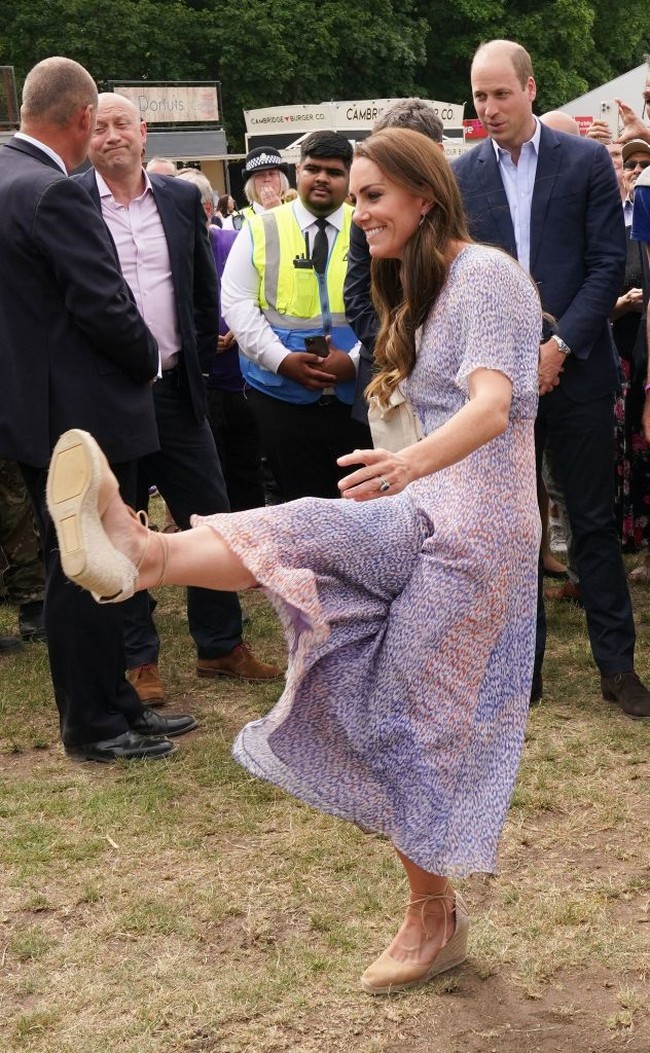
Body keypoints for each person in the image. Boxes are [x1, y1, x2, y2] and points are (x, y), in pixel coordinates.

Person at [47, 127, 542, 994]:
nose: (360, 211)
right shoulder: (417, 284)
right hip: (423, 505)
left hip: (481, 531)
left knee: (401, 717)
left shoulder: (488, 276)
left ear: (424, 196)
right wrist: (410, 471)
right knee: (307, 523)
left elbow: (494, 407)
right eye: (356, 197)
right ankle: (143, 553)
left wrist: (409, 462)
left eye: (373, 196)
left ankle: (434, 915)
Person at [0, 57, 197, 761]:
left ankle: (116, 703)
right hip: (80, 413)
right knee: (88, 565)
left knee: (88, 560)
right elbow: (103, 302)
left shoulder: (6, 174)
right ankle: (94, 723)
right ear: (84, 117)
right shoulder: (53, 190)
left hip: (32, 410)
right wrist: (149, 358)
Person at [453, 39, 650, 719]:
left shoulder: (585, 160)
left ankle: (617, 667)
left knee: (592, 521)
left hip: (580, 372)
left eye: (500, 94)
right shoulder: (463, 174)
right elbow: (462, 274)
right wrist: (507, 359)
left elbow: (606, 265)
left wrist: (560, 346)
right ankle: (520, 671)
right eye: (479, 96)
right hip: (497, 385)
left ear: (530, 89)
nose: (489, 108)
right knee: (513, 529)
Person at [77, 92, 281, 704]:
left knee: (210, 514)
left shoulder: (179, 198)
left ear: (143, 132)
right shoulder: (70, 202)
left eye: (122, 124)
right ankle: (138, 660)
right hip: (109, 397)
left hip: (177, 390)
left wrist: (194, 364)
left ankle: (220, 645)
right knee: (119, 520)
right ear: (86, 136)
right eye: (99, 127)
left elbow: (199, 289)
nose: (112, 135)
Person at [222, 130, 371, 501]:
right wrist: (281, 360)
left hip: (357, 397)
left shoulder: (368, 225)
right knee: (295, 504)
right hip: (281, 396)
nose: (322, 178)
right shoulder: (260, 228)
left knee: (358, 505)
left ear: (349, 177)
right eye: (312, 169)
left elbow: (391, 307)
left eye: (334, 172)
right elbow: (238, 305)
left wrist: (354, 362)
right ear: (297, 171)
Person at [344, 98, 444, 426]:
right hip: (387, 386)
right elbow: (357, 298)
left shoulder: (478, 264)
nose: (360, 213)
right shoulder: (368, 221)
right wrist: (400, 354)